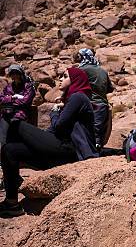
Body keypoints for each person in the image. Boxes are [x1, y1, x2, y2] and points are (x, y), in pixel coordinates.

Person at [0, 68, 98, 217]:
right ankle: (12, 202)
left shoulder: (78, 97)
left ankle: (15, 176)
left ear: (75, 80)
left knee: (16, 125)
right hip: (58, 148)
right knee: (9, 150)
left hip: (69, 149)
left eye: (65, 76)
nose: (60, 79)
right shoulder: (70, 99)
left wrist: (54, 113)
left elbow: (59, 126)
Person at [77, 48, 114, 150]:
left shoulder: (82, 70)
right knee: (98, 130)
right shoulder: (103, 70)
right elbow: (110, 89)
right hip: (102, 104)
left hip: (88, 103)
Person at [0, 65, 36, 150]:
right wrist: (13, 98)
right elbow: (1, 99)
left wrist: (8, 100)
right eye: (12, 73)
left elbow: (25, 101)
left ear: (20, 74)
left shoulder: (28, 86)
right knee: (2, 133)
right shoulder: (8, 87)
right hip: (6, 113)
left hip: (20, 114)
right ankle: (4, 155)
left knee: (14, 132)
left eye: (16, 73)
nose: (14, 75)